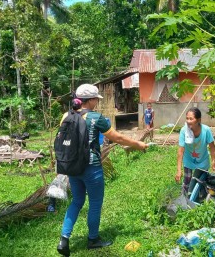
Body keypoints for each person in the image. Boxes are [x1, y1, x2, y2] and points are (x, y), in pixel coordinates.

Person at [57, 84, 148, 256]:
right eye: (95, 100)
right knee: (95, 203)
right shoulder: (95, 118)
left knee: (77, 201)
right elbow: (118, 138)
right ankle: (93, 239)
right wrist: (138, 144)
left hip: (73, 167)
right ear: (90, 100)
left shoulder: (65, 116)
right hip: (91, 168)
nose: (96, 103)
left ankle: (64, 239)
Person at [175, 107, 215, 196]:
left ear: (198, 120)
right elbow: (180, 152)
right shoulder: (184, 131)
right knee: (187, 182)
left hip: (203, 160)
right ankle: (184, 200)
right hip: (188, 160)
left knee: (201, 182)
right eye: (187, 118)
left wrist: (214, 163)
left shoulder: (206, 130)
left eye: (191, 119)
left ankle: (200, 201)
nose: (188, 121)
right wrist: (178, 171)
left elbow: (212, 148)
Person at [47, 98, 83, 213]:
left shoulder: (65, 115)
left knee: (59, 177)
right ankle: (76, 197)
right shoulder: (82, 116)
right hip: (74, 152)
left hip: (63, 151)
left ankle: (51, 205)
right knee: (76, 176)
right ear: (81, 105)